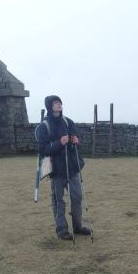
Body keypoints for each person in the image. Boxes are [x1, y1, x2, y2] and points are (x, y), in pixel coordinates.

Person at [36, 95, 92, 240]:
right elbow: (43, 150)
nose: (59, 104)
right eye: (55, 103)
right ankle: (62, 230)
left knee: (77, 197)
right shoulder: (44, 127)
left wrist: (76, 141)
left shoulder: (69, 122)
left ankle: (77, 226)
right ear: (50, 106)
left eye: (60, 102)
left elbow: (79, 142)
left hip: (72, 166)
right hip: (56, 170)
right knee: (58, 200)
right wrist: (59, 143)